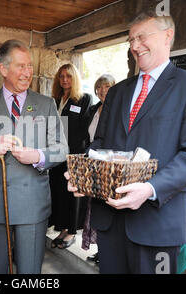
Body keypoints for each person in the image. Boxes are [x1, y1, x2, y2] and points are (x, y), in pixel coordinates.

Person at [66, 10, 186, 274]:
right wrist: (84, 174)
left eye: (142, 37)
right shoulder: (118, 91)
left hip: (158, 225)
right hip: (110, 223)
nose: (134, 45)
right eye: (131, 39)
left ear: (168, 36)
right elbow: (100, 143)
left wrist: (150, 189)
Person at [0, 39, 68, 274]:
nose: (27, 72)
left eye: (29, 66)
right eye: (20, 66)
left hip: (33, 203)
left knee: (30, 271)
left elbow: (62, 148)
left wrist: (38, 155)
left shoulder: (46, 104)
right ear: (3, 69)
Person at [48, 64, 93, 249]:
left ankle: (72, 231)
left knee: (73, 195)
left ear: (75, 79)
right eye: (61, 76)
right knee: (59, 193)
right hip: (56, 154)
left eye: (68, 76)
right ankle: (63, 229)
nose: (65, 79)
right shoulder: (55, 99)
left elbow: (85, 130)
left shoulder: (84, 99)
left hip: (74, 155)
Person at [83, 74, 116, 264]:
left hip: (108, 166)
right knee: (93, 210)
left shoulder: (117, 109)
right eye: (100, 87)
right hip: (92, 161)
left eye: (107, 87)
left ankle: (106, 252)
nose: (103, 90)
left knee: (106, 208)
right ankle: (99, 250)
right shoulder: (94, 108)